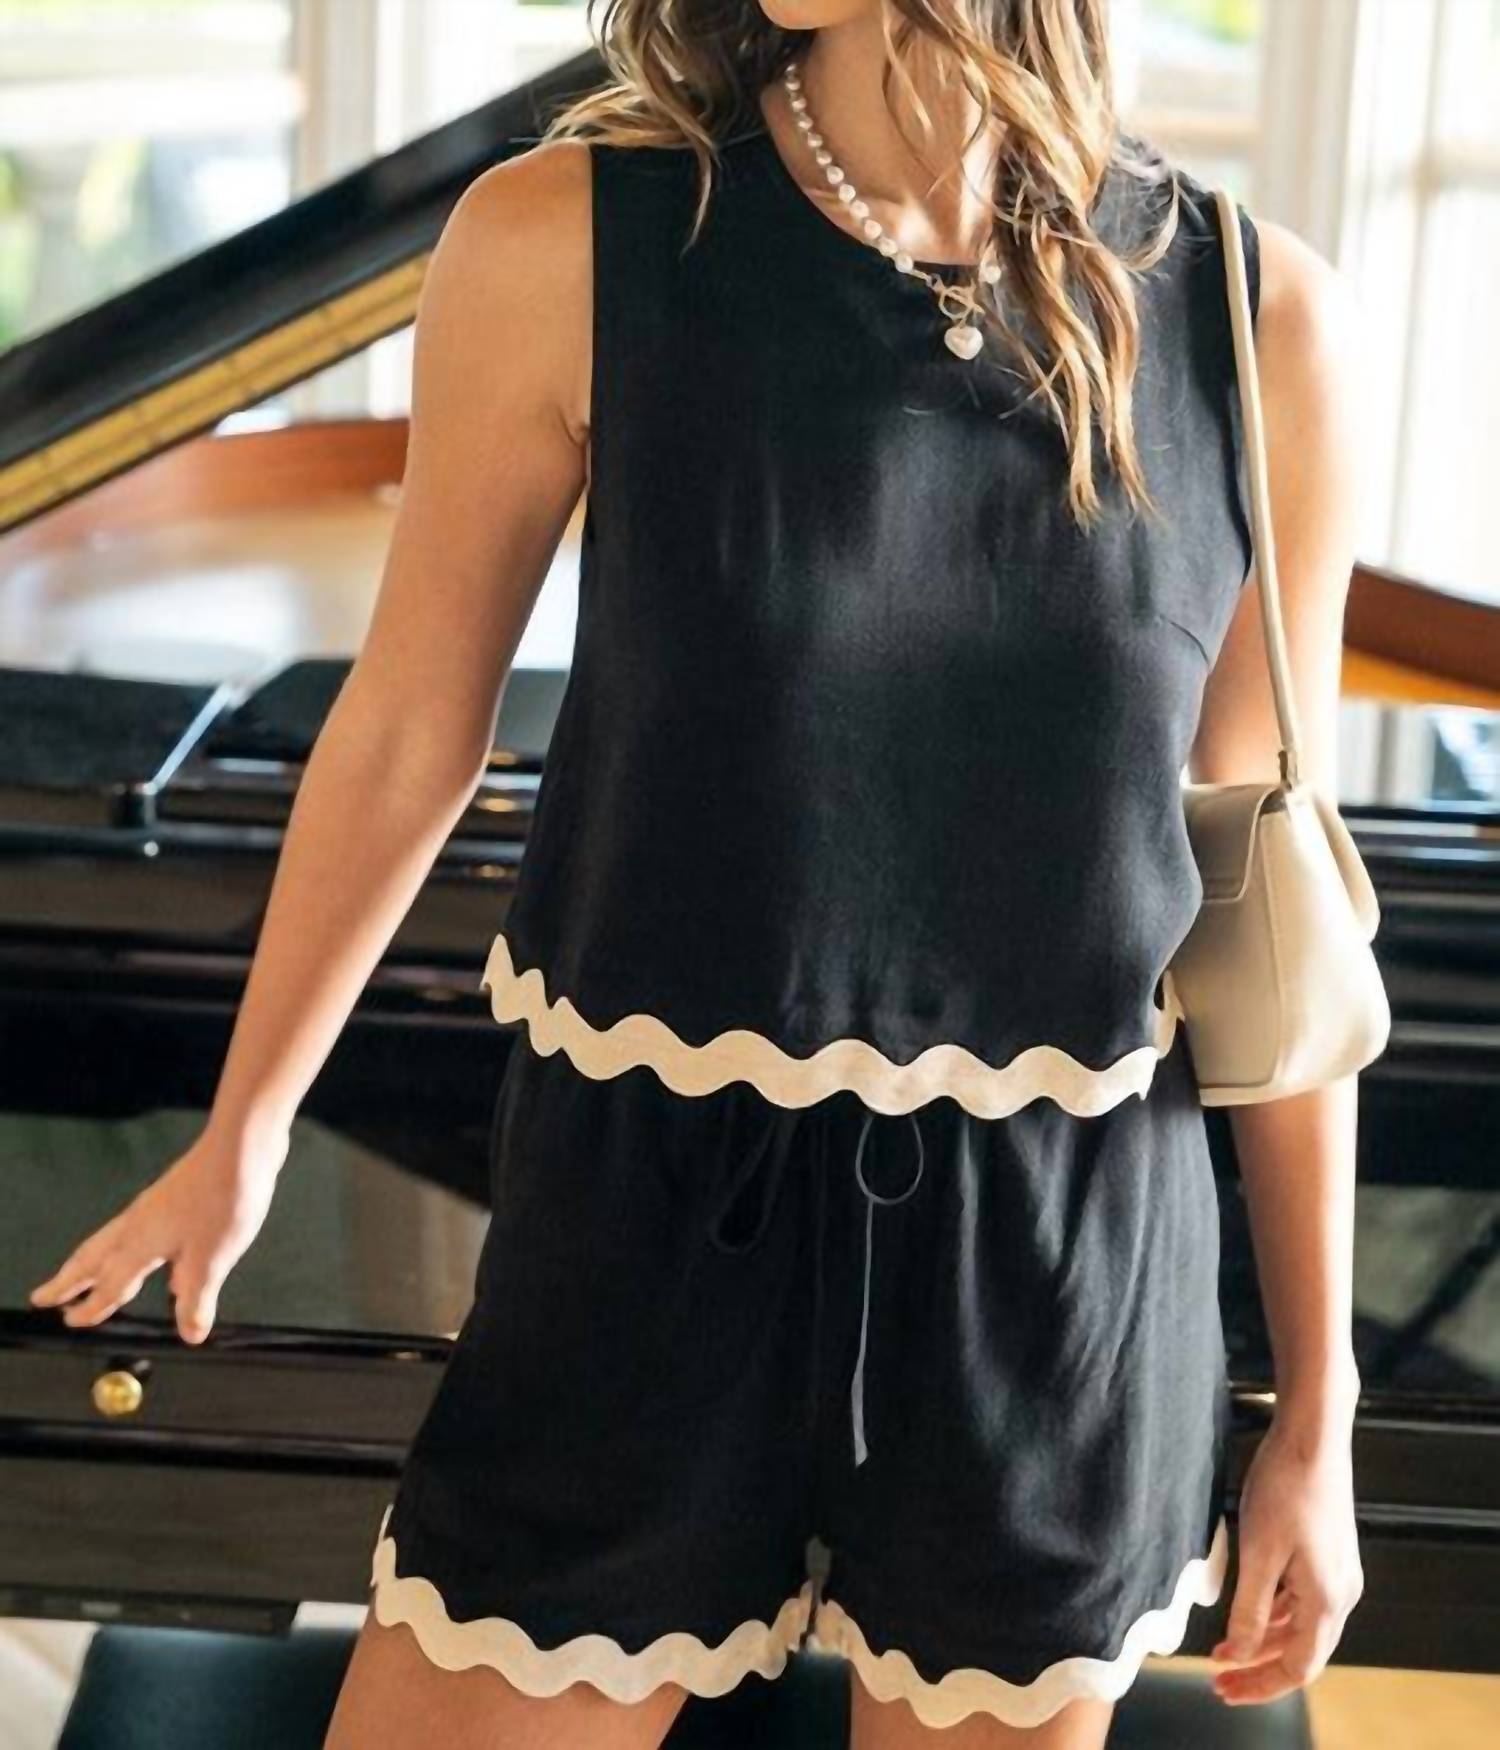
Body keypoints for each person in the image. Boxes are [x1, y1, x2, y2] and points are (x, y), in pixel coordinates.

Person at [29, 4, 1369, 1746]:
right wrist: (247, 1126)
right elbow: (409, 727)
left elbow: (1267, 899)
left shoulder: (1260, 323)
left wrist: (1319, 1405)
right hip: (645, 1220)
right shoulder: (562, 241)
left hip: (1052, 1271)